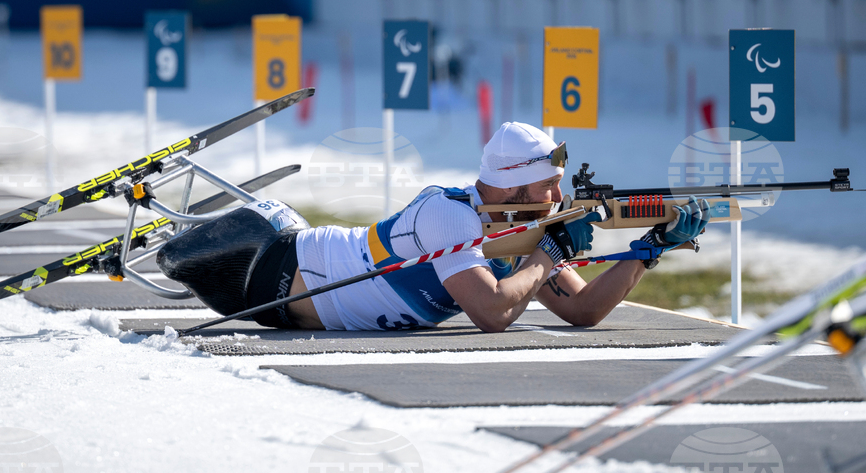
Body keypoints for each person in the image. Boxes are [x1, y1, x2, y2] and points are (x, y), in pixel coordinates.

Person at [157, 122, 710, 333]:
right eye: (551, 187)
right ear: (516, 189)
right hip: (271, 264)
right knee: (171, 256)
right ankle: (153, 215)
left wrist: (647, 250)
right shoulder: (448, 214)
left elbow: (583, 312)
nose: (559, 199)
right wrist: (548, 256)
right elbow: (493, 312)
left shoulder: (526, 229)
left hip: (289, 313)